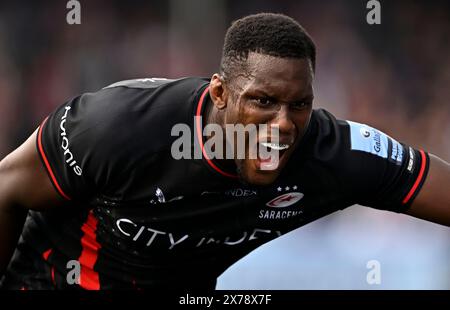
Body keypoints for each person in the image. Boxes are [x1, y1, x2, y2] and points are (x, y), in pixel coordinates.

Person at [0, 13, 449, 290]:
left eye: (300, 105)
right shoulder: (119, 127)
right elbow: (7, 188)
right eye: (263, 102)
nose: (283, 125)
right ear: (219, 93)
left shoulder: (330, 153)